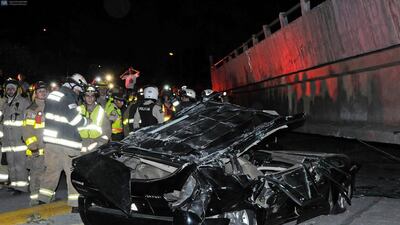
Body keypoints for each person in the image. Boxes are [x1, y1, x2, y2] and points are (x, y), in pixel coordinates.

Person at [38, 73, 88, 210]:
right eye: (79, 89)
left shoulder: (52, 95)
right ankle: (75, 205)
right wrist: (86, 121)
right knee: (72, 174)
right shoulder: (68, 96)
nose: (79, 92)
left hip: (51, 142)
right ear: (73, 85)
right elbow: (75, 120)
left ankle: (43, 200)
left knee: (51, 171)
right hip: (68, 143)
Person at [0, 78, 31, 194]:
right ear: (5, 90)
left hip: (19, 141)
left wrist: (27, 137)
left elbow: (30, 121)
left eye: (13, 88)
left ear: (17, 90)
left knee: (20, 165)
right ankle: (14, 184)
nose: (10, 90)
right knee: (11, 165)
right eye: (8, 89)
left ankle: (22, 187)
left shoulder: (24, 102)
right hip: (8, 142)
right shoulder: (5, 105)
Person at [22, 81, 48, 205]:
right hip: (37, 151)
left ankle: (45, 198)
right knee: (36, 175)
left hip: (51, 150)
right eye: (40, 91)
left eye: (44, 91)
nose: (43, 93)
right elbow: (27, 131)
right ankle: (34, 200)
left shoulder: (51, 107)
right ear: (35, 94)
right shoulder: (32, 110)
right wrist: (33, 147)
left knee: (47, 176)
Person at [78, 85, 111, 153]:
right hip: (79, 146)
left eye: (92, 96)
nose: (90, 98)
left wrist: (99, 143)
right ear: (84, 97)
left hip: (96, 147)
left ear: (95, 98)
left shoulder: (101, 111)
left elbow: (107, 131)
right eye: (87, 96)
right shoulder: (78, 110)